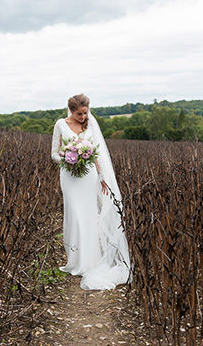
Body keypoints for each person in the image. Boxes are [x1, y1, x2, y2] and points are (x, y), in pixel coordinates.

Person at [50, 93, 131, 290]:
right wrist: (69, 159)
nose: (83, 117)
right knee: (75, 215)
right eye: (79, 114)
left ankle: (92, 262)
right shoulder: (60, 124)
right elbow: (54, 154)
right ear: (71, 111)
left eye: (85, 113)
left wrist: (102, 177)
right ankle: (76, 261)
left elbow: (96, 155)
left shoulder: (90, 125)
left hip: (89, 177)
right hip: (69, 177)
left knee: (88, 215)